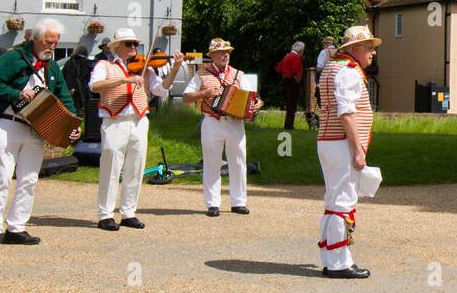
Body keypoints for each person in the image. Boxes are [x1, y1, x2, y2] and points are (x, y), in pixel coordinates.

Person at [0, 18, 79, 251]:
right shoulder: (14, 57)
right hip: (8, 124)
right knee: (1, 177)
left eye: (55, 43)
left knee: (29, 180)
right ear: (35, 38)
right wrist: (16, 93)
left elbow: (64, 97)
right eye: (48, 42)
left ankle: (16, 227)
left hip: (37, 128)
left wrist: (72, 123)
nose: (52, 47)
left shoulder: (53, 67)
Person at [316, 25, 380, 279]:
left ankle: (331, 258)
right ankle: (340, 262)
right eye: (368, 47)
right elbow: (346, 113)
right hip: (341, 142)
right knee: (343, 202)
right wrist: (357, 149)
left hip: (328, 140)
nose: (372, 53)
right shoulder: (350, 72)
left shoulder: (332, 67)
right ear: (354, 49)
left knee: (334, 201)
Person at [90, 29, 167, 231]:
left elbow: (161, 89)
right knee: (111, 167)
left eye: (135, 44)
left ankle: (128, 212)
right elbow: (95, 85)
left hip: (139, 119)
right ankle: (105, 215)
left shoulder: (146, 69)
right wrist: (124, 80)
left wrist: (175, 67)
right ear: (117, 47)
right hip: (115, 120)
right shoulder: (104, 65)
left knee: (136, 166)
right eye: (129, 44)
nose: (134, 47)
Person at [183, 38, 262, 217]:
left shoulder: (238, 74)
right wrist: (204, 93)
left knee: (239, 162)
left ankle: (239, 202)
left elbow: (253, 97)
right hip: (212, 121)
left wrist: (258, 103)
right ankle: (212, 204)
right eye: (222, 52)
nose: (226, 54)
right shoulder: (201, 74)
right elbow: (186, 97)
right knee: (212, 163)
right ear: (212, 55)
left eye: (228, 51)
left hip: (235, 123)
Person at [275, 41, 305, 131]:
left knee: (289, 105)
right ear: (301, 50)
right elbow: (296, 71)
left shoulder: (287, 56)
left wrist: (285, 73)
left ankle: (287, 125)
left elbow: (278, 68)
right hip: (292, 82)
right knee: (292, 105)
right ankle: (289, 126)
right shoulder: (296, 57)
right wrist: (297, 79)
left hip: (285, 81)